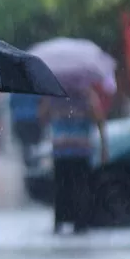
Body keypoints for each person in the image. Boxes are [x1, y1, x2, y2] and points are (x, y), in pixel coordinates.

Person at [39, 85, 109, 234]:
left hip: (61, 149)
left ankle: (61, 221)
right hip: (81, 149)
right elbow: (99, 119)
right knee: (81, 187)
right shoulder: (87, 95)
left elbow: (42, 117)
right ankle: (80, 222)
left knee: (61, 188)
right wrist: (104, 147)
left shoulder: (52, 94)